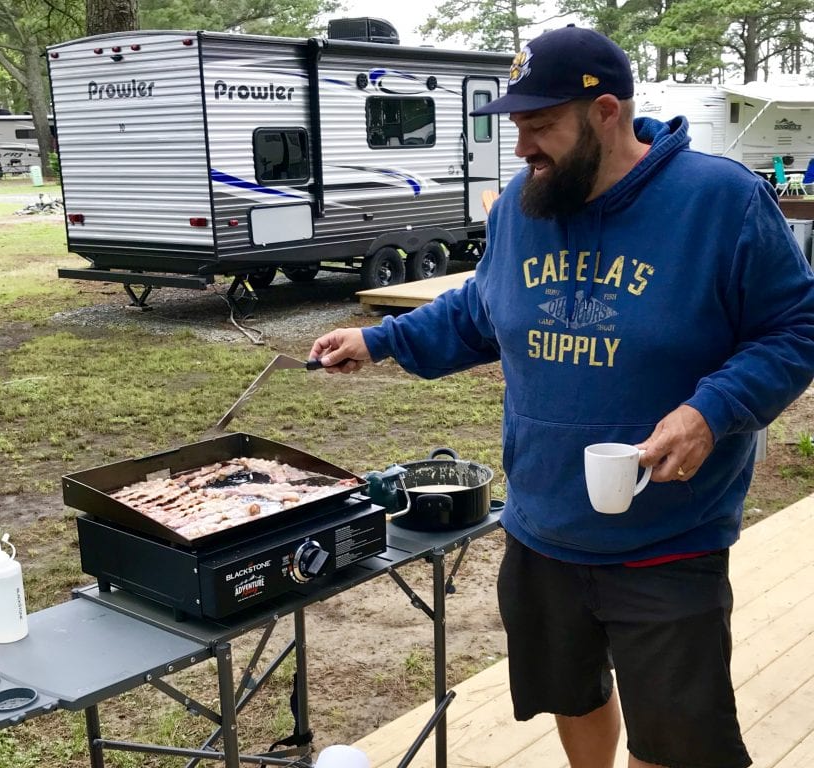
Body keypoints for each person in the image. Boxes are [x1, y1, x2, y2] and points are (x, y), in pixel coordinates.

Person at [309, 25, 814, 768]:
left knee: (677, 738)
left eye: (539, 126)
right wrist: (380, 340)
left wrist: (711, 411)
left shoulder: (720, 203)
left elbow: (794, 329)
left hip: (668, 536)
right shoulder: (525, 204)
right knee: (570, 692)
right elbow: (483, 309)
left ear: (606, 112)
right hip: (542, 523)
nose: (522, 148)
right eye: (516, 127)